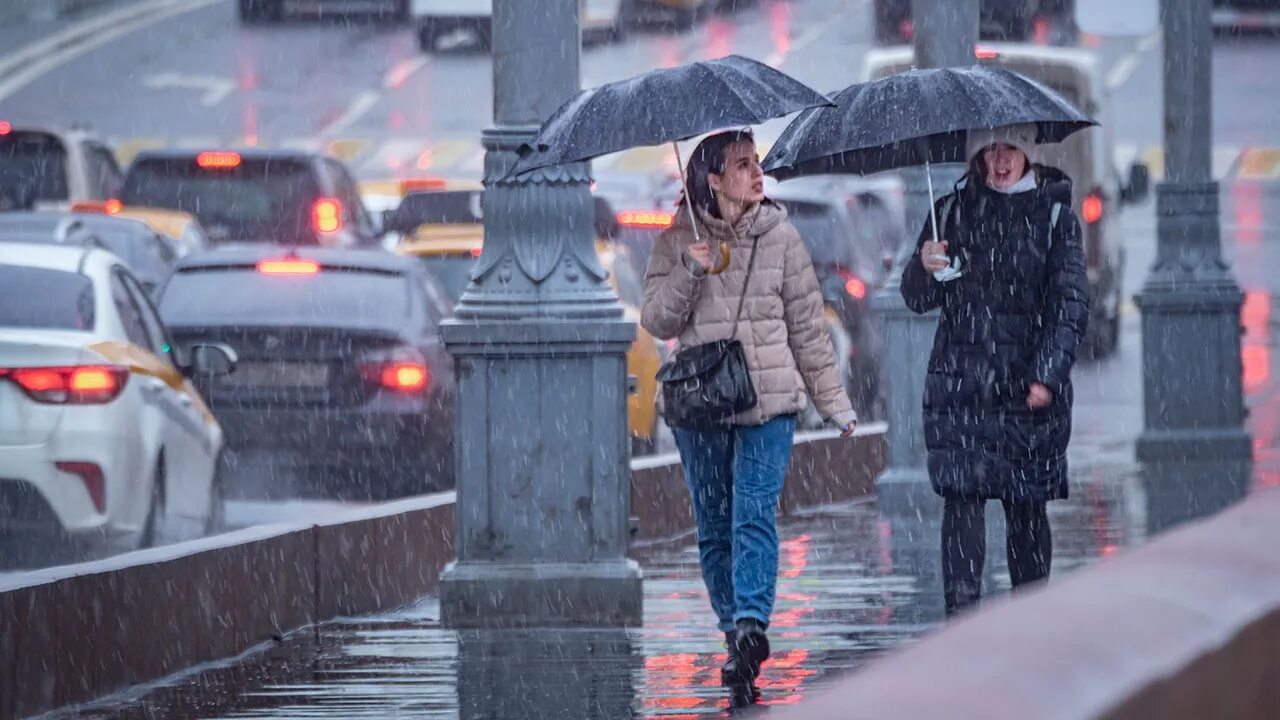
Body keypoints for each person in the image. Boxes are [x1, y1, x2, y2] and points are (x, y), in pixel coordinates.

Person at [640, 130, 858, 703]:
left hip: (769, 401)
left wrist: (834, 403)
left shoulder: (781, 237)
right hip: (702, 406)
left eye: (757, 163)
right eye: (742, 165)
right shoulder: (676, 241)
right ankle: (733, 634)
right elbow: (658, 322)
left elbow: (809, 329)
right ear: (712, 179)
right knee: (713, 526)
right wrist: (690, 269)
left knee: (753, 514)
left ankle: (751, 625)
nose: (757, 174)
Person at [901, 123, 1090, 616]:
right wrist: (925, 266)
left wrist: (1047, 375)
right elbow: (918, 298)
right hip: (961, 389)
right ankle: (961, 628)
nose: (1000, 161)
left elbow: (1069, 305)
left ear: (1028, 155)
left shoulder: (1054, 217)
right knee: (962, 507)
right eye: (990, 151)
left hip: (1025, 392)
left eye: (1011, 150)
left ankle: (1028, 626)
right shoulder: (950, 212)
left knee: (1026, 509)